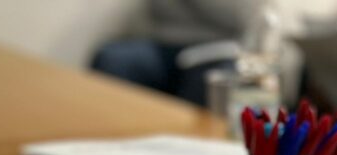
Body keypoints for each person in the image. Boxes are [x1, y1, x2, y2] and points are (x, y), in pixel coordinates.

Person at [90, 0, 254, 106]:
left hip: (213, 50)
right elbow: (155, 9)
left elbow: (239, 16)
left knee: (212, 78)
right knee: (113, 59)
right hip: (164, 45)